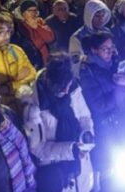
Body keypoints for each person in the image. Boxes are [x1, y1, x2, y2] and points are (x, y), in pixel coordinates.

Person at [20, 53, 94, 192]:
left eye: (68, 85)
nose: (65, 90)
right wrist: (70, 150)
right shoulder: (34, 107)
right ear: (49, 81)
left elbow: (85, 116)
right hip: (59, 175)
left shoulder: (73, 90)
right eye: (61, 87)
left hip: (81, 168)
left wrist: (87, 134)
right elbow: (37, 148)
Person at [79, 32, 125, 189]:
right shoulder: (87, 71)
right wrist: (121, 88)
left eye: (112, 48)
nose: (110, 52)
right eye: (105, 49)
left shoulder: (115, 62)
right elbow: (99, 105)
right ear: (94, 50)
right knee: (105, 165)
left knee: (123, 163)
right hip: (103, 126)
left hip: (121, 121)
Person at [69, 0, 111, 75]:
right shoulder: (77, 38)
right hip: (90, 77)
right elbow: (76, 64)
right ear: (89, 16)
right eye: (97, 16)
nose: (101, 19)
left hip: (109, 74)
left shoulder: (106, 32)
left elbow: (114, 51)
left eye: (103, 15)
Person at [14, 0, 55, 69]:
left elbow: (50, 38)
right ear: (23, 13)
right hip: (32, 62)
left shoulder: (40, 22)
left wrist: (37, 27)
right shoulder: (20, 26)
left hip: (45, 60)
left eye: (35, 10)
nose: (33, 13)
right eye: (30, 11)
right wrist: (42, 40)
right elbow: (36, 44)